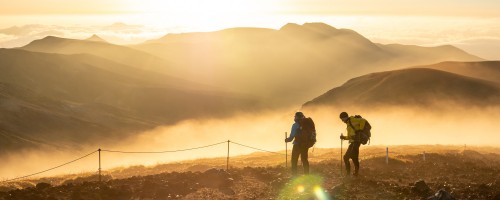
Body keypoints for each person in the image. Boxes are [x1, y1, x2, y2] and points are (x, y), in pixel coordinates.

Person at [339, 111, 367, 177]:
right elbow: (350, 137)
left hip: (355, 142)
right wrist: (343, 137)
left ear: (345, 117)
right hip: (354, 142)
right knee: (354, 158)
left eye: (342, 119)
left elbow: (363, 120)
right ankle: (356, 174)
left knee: (346, 157)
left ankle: (348, 174)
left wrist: (360, 130)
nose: (342, 121)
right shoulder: (349, 123)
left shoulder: (352, 120)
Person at [285, 112, 309, 176]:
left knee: (294, 160)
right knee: (304, 160)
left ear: (297, 117)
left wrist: (287, 140)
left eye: (295, 116)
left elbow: (291, 137)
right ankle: (307, 175)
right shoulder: (306, 124)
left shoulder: (295, 125)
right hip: (305, 145)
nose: (294, 117)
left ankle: (294, 175)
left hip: (297, 145)